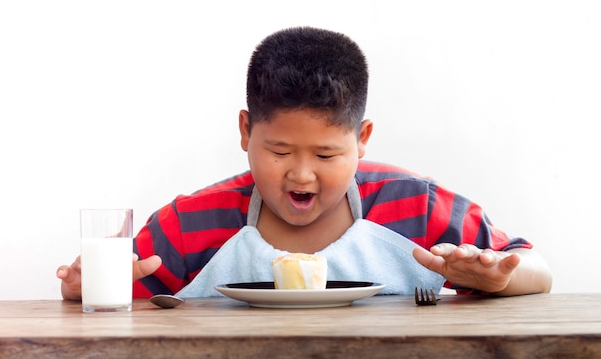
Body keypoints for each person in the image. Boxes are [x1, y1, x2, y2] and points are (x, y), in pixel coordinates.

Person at [57, 27, 552, 300]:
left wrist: (500, 277)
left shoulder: (416, 207)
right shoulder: (192, 223)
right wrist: (85, 288)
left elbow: (536, 268)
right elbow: (112, 296)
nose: (301, 174)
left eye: (327, 154)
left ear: (362, 141)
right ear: (246, 132)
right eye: (278, 151)